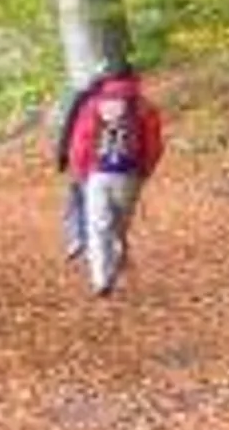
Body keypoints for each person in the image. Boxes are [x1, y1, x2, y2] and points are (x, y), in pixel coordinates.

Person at [54, 60, 164, 295]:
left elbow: (82, 141)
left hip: (98, 172)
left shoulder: (92, 104)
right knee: (118, 227)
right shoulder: (144, 106)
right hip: (129, 174)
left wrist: (81, 170)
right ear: (134, 77)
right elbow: (153, 144)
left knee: (98, 225)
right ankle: (113, 269)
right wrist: (145, 170)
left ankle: (101, 279)